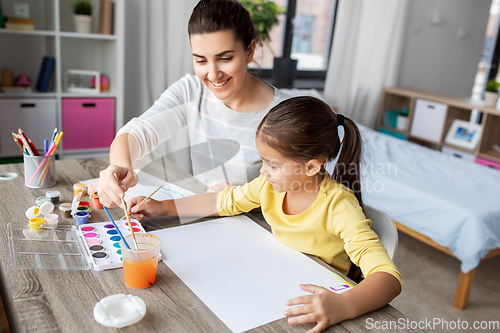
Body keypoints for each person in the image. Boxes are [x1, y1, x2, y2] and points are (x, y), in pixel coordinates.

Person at [126, 96, 402, 333]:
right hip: (271, 279)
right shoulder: (268, 186)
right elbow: (221, 202)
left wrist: (344, 305)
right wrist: (162, 207)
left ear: (310, 168)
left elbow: (387, 278)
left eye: (272, 164)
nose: (262, 171)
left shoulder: (339, 206)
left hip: (312, 299)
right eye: (263, 161)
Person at [98, 0, 288, 208]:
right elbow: (138, 132)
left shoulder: (285, 113)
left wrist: (232, 199)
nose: (213, 74)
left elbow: (300, 193)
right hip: (203, 213)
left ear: (250, 51)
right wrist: (120, 166)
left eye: (225, 58)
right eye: (201, 61)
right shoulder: (192, 91)